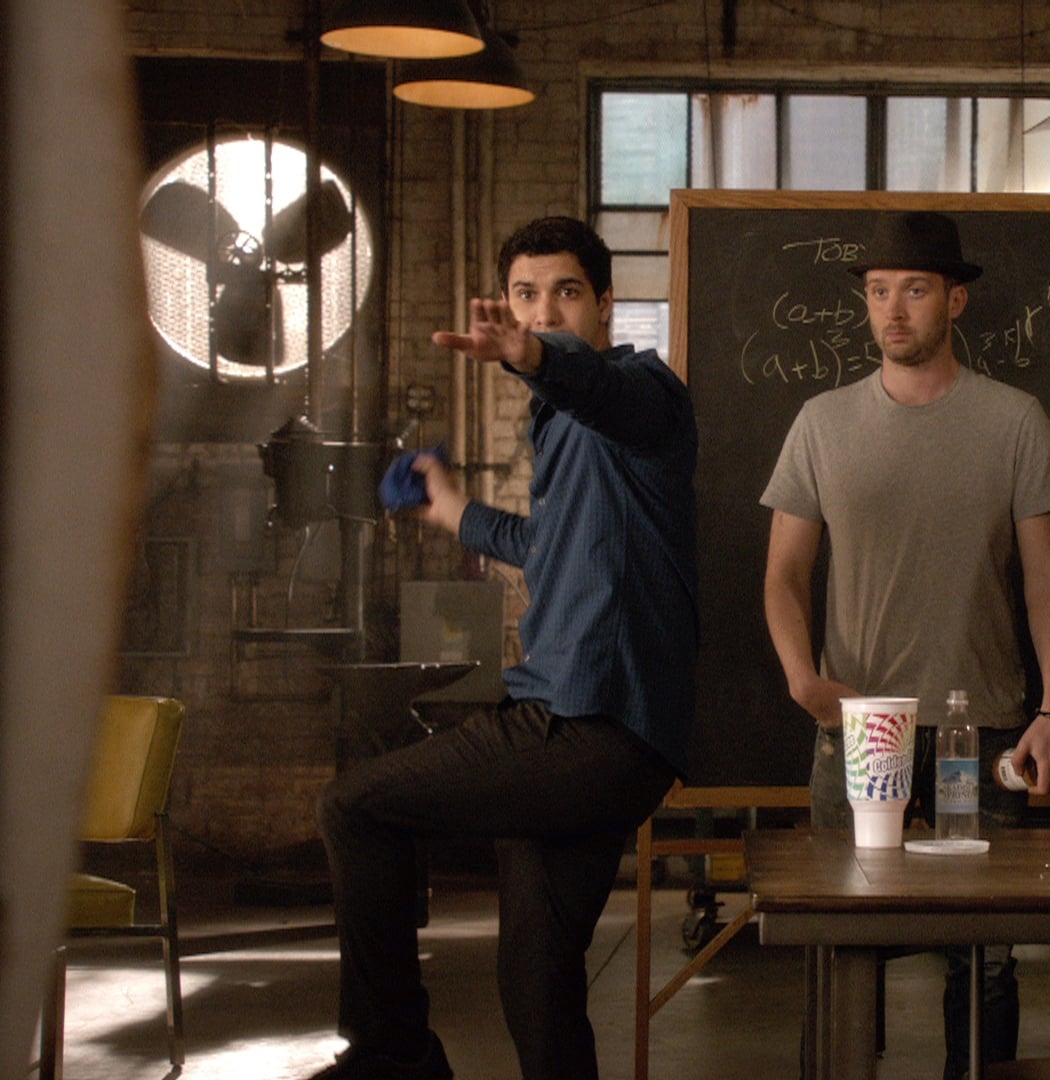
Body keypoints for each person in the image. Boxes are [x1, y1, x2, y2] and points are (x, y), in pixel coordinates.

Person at [311, 216, 697, 1080]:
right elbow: (550, 547)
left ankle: (393, 1058)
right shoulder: (561, 426)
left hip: (585, 725)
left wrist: (532, 356)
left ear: (606, 303)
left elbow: (605, 393)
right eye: (526, 295)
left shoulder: (643, 393)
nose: (545, 312)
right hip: (595, 736)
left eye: (566, 293)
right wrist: (455, 511)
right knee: (536, 978)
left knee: (353, 808)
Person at [761, 210, 1050, 1078]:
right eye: (877, 292)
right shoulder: (822, 421)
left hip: (988, 721)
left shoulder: (1015, 419)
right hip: (862, 726)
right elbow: (784, 573)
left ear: (955, 300)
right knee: (842, 946)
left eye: (914, 290)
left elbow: (1048, 574)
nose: (893, 310)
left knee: (986, 959)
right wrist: (800, 679)